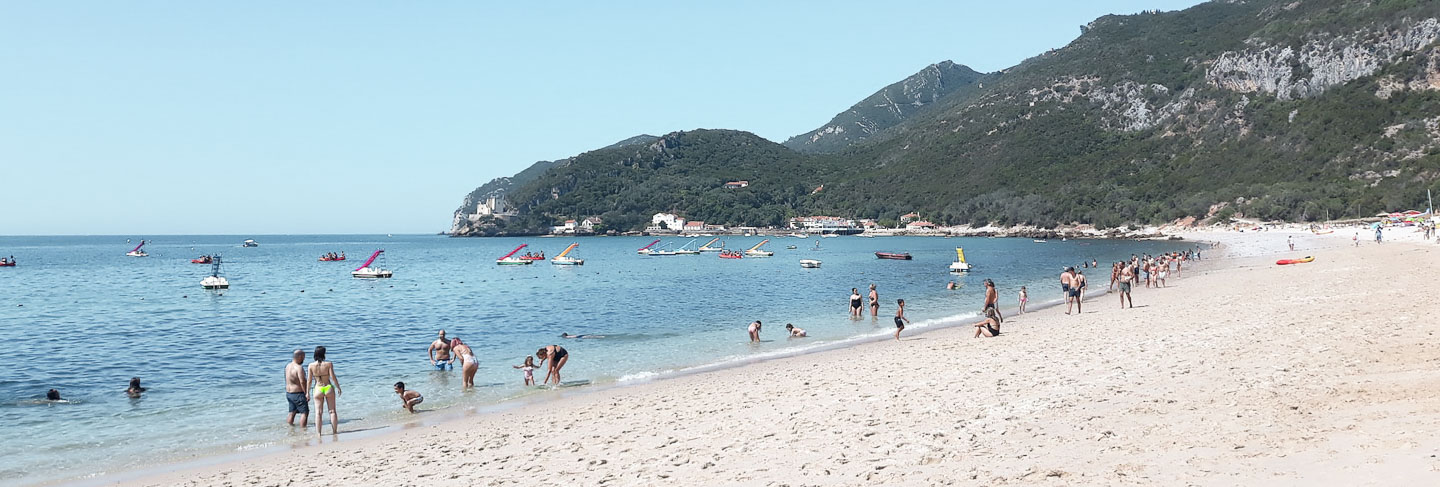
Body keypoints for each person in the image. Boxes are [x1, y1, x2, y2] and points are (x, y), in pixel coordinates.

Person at [308, 346, 341, 435]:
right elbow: (333, 377)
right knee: (332, 411)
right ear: (323, 354)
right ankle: (334, 431)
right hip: (328, 387)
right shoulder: (328, 364)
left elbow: (309, 380)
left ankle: (319, 433)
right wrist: (338, 387)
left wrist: (307, 393)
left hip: (318, 388)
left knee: (318, 413)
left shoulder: (311, 365)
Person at [284, 349, 308, 428]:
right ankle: (303, 430)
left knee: (292, 412)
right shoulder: (299, 368)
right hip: (298, 393)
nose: (304, 359)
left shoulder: (288, 366)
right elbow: (302, 381)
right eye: (303, 357)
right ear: (299, 357)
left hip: (289, 393)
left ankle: (290, 429)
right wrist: (306, 393)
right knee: (304, 413)